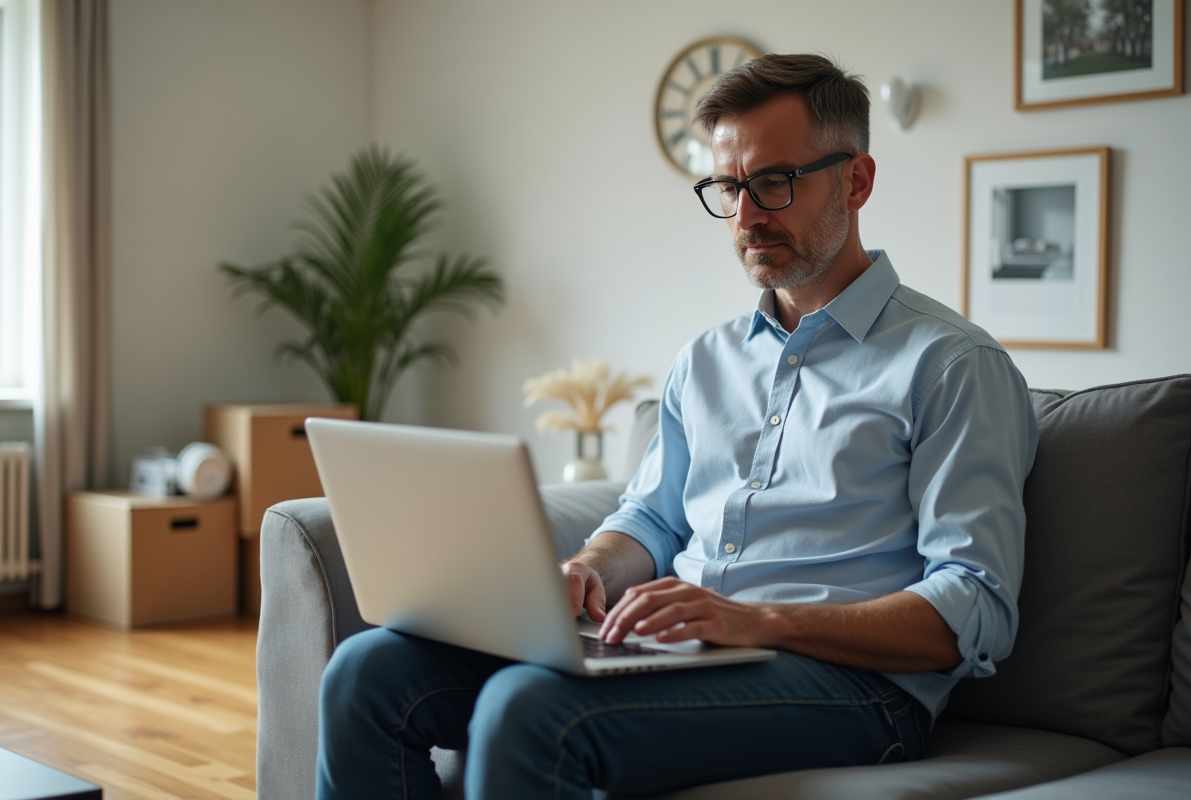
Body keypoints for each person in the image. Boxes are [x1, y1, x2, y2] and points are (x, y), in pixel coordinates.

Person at [316, 53, 1038, 800]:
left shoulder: (952, 364)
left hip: (855, 689)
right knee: (367, 674)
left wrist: (760, 621)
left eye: (775, 182)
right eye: (729, 187)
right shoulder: (706, 359)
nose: (747, 217)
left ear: (856, 181)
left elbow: (976, 606)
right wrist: (589, 569)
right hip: (684, 651)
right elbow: (653, 520)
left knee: (531, 712)